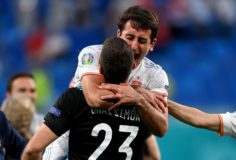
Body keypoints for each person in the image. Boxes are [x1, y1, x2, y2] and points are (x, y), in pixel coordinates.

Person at [43, 5, 168, 160]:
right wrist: (139, 93)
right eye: (129, 37)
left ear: (152, 44)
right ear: (119, 35)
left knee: (154, 155)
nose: (134, 46)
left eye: (142, 40)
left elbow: (161, 127)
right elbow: (94, 98)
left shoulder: (156, 74)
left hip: (122, 126)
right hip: (74, 122)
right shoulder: (93, 54)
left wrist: (139, 101)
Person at [22, 37, 165, 160]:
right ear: (133, 67)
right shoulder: (140, 105)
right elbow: (153, 156)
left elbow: (31, 151)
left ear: (100, 68)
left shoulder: (75, 97)